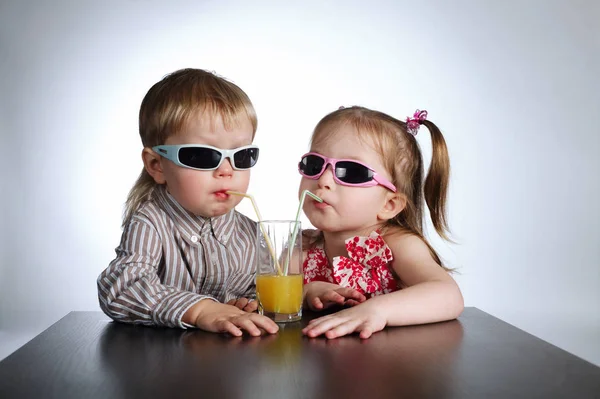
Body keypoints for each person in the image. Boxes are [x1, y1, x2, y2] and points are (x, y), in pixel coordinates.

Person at [97, 68, 278, 337]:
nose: (227, 170)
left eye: (242, 156)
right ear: (157, 165)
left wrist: (246, 304)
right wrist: (201, 310)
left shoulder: (251, 233)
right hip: (160, 364)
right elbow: (121, 288)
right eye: (203, 156)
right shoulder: (152, 222)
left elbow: (260, 292)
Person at [299, 106, 464, 339]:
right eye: (314, 165)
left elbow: (448, 295)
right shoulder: (303, 247)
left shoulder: (397, 245)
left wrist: (377, 310)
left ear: (389, 205)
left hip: (390, 362)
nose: (324, 180)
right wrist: (305, 293)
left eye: (352, 172)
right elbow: (267, 300)